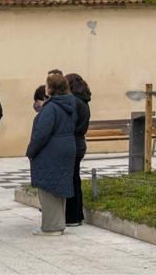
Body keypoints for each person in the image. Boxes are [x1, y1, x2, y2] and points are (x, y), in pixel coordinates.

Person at [27, 73, 77, 235]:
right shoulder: (70, 104)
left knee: (48, 187)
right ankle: (59, 223)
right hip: (67, 146)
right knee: (60, 185)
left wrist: (31, 150)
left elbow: (42, 133)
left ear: (51, 88)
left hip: (51, 150)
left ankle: (52, 226)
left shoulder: (51, 107)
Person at [64, 73, 92, 226]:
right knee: (75, 178)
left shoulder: (74, 101)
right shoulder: (84, 100)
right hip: (80, 142)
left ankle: (72, 216)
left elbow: (70, 123)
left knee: (70, 180)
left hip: (73, 142)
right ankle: (77, 215)